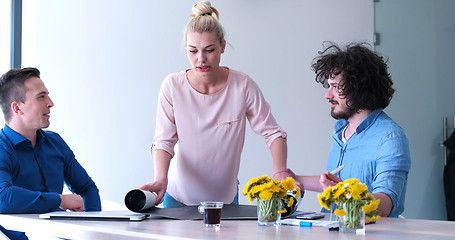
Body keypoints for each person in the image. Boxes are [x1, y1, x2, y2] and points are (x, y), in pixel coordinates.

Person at [139, 1, 290, 207]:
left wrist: (279, 171)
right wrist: (160, 178)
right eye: (193, 51)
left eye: (209, 50)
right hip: (177, 198)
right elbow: (163, 141)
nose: (201, 59)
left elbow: (273, 133)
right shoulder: (172, 86)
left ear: (223, 46)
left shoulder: (242, 86)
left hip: (225, 200)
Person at [288, 43, 411, 217]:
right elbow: (334, 183)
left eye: (336, 87)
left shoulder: (390, 137)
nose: (328, 95)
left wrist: (344, 195)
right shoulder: (341, 132)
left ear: (359, 87)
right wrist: (294, 179)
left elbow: (385, 204)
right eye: (329, 86)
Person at [0, 67, 101, 213]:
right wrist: (60, 200)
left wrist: (92, 224)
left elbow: (87, 188)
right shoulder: (3, 148)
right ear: (17, 108)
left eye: (48, 95)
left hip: (63, 233)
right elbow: (2, 198)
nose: (51, 103)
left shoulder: (55, 142)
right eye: (41, 97)